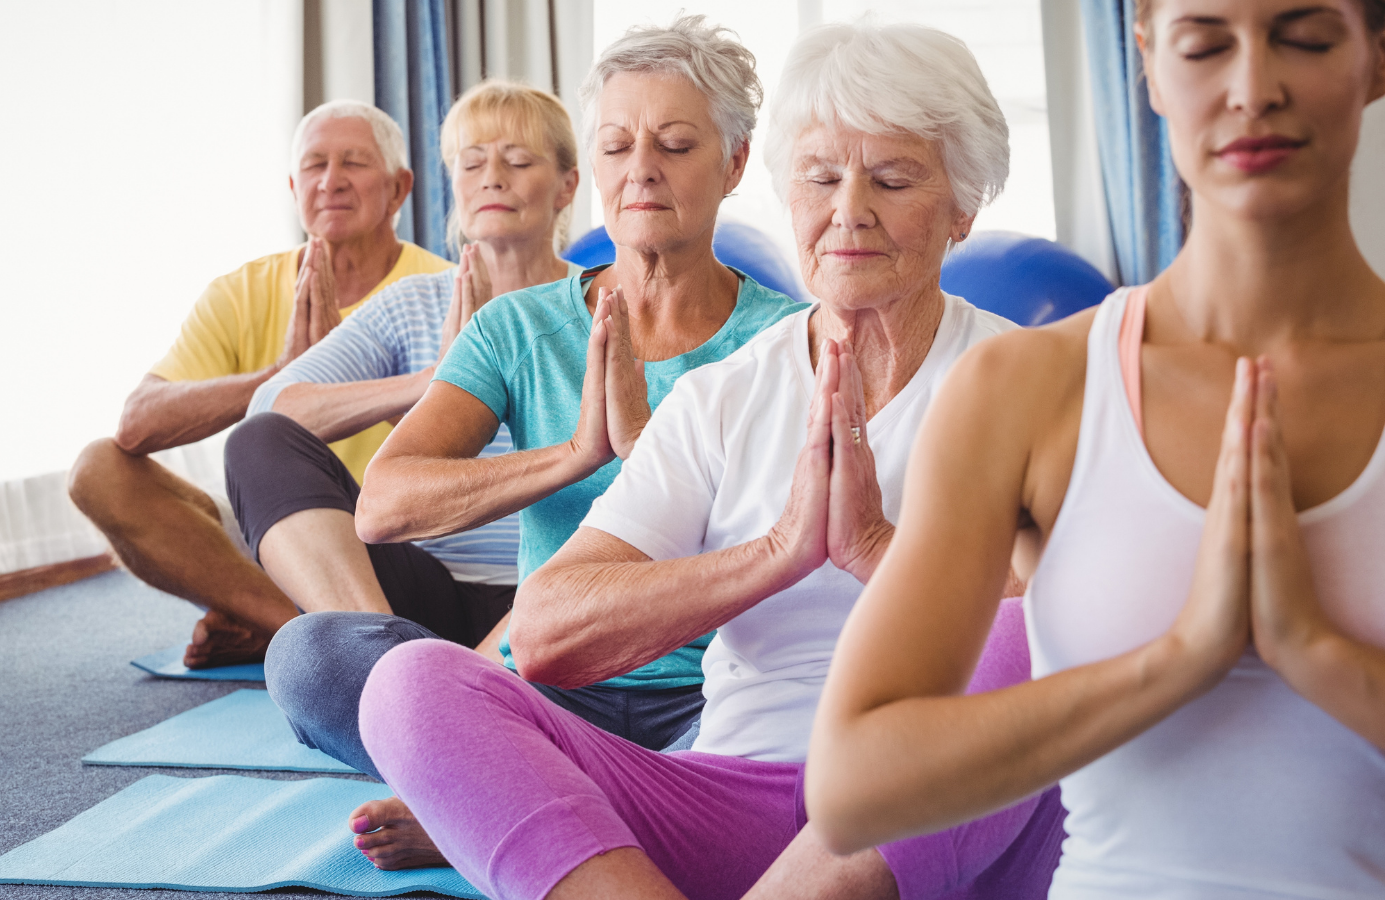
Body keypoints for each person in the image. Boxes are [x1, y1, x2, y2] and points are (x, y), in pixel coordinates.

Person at [354, 21, 1067, 900]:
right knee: (410, 684)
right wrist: (776, 554)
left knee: (1030, 637)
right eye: (820, 177)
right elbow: (543, 636)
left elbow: (1102, 627)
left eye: (890, 178)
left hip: (945, 806)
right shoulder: (725, 396)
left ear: (963, 207)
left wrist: (876, 548)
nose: (848, 210)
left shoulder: (1037, 381)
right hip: (737, 795)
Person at [805, 1, 1385, 898]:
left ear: (1375, 59)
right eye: (1205, 45)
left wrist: (1313, 651)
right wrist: (1178, 659)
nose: (1252, 88)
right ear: (1149, 64)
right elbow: (851, 789)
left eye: (1304, 38)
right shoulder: (1029, 388)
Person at [328, 15, 802, 871]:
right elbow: (383, 505)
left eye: (677, 144)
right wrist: (578, 453)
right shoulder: (518, 325)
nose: (642, 169)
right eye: (617, 146)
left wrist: (646, 449)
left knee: (786, 757)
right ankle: (558, 785)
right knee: (317, 660)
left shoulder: (788, 341)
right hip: (546, 684)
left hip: (707, 695)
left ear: (733, 164)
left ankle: (490, 794)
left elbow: (792, 542)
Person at [233, 79, 582, 762]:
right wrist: (432, 381)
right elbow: (270, 407)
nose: (492, 179)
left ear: (567, 186)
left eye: (518, 161)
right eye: (473, 163)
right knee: (260, 445)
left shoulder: (600, 307)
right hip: (427, 600)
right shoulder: (413, 306)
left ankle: (436, 732)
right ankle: (390, 671)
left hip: (556, 594)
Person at [67, 101, 450, 669]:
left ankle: (299, 624)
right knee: (98, 468)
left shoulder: (439, 289)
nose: (331, 180)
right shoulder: (241, 290)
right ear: (295, 187)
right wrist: (282, 376)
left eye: (354, 163)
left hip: (394, 540)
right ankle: (285, 624)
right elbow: (136, 423)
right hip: (273, 527)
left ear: (399, 189)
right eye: (315, 165)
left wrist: (347, 376)